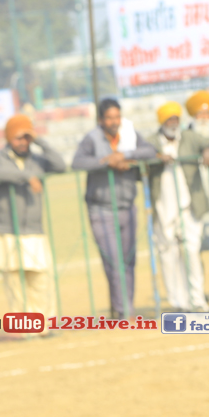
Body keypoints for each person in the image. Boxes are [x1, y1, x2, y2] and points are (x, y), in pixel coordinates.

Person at [71, 99, 157, 319]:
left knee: (128, 260)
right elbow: (77, 162)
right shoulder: (92, 138)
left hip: (127, 206)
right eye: (109, 118)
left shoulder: (129, 134)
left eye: (117, 117)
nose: (114, 121)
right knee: (114, 261)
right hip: (101, 208)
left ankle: (126, 307)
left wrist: (124, 155)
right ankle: (124, 311)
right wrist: (107, 161)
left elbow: (150, 151)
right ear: (101, 120)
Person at [0, 114, 66, 330]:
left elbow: (60, 165)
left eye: (26, 137)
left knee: (42, 278)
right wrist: (26, 177)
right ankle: (26, 327)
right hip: (6, 229)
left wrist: (39, 140)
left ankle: (46, 323)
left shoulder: (38, 159)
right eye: (18, 137)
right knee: (14, 282)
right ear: (8, 138)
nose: (22, 142)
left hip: (33, 228)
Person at [148, 100, 209, 312]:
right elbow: (140, 154)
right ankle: (178, 303)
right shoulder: (152, 141)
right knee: (168, 255)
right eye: (169, 119)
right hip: (163, 207)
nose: (173, 123)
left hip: (189, 206)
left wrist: (208, 150)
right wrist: (157, 157)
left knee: (191, 252)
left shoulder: (188, 137)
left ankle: (197, 301)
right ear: (162, 122)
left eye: (176, 119)